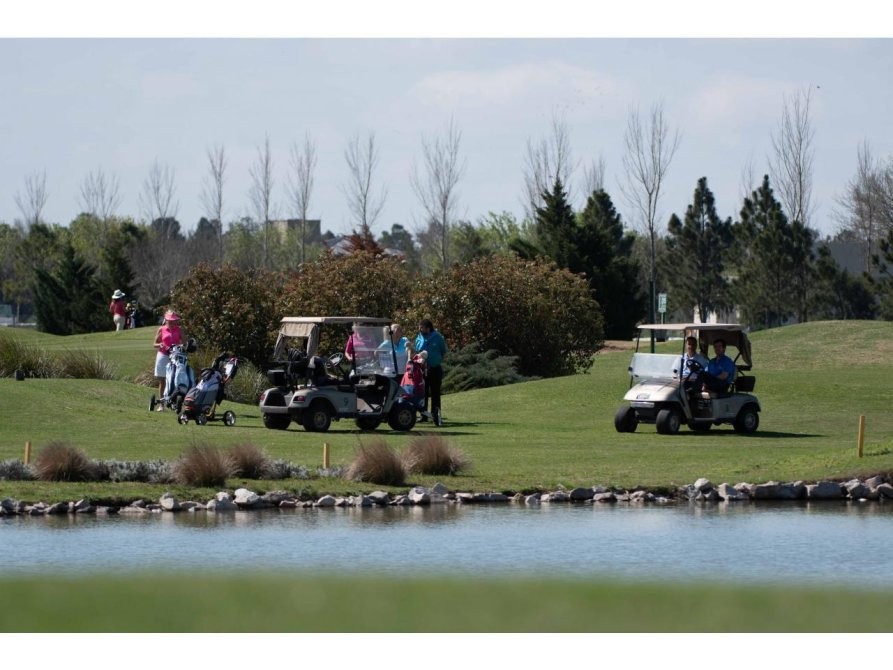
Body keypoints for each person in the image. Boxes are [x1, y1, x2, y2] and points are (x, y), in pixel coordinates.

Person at [414, 318, 448, 426]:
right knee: (422, 393)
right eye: (419, 327)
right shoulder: (419, 337)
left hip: (435, 368)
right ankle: (423, 415)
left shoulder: (438, 337)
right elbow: (416, 351)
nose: (420, 329)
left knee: (435, 393)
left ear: (428, 328)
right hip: (422, 369)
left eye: (422, 328)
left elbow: (443, 351)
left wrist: (436, 360)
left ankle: (435, 416)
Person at [153, 310, 185, 411]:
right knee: (162, 381)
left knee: (175, 380)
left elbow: (185, 343)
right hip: (163, 355)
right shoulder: (161, 329)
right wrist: (160, 344)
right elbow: (154, 344)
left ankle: (174, 402)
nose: (172, 322)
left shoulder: (179, 330)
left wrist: (181, 346)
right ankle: (161, 405)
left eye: (174, 321)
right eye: (170, 321)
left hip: (175, 356)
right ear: (166, 320)